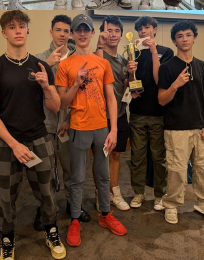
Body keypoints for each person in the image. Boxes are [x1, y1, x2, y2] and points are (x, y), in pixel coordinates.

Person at [0, 10, 66, 260]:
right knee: (6, 198)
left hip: (40, 139)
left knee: (47, 192)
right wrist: (14, 144)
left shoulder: (40, 66)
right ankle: (7, 238)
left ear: (28, 30)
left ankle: (51, 230)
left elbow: (55, 106)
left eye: (22, 26)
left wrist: (45, 87)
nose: (18, 30)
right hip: (7, 145)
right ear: (4, 33)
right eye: (12, 27)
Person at [55, 14, 127, 247]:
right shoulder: (65, 65)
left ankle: (105, 215)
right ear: (73, 35)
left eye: (87, 29)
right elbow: (62, 103)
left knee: (104, 176)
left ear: (93, 33)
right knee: (77, 178)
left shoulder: (103, 63)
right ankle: (75, 219)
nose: (83, 34)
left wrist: (114, 130)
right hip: (78, 128)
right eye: (78, 30)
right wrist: (77, 82)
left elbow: (112, 98)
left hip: (102, 128)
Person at [157, 20, 204, 224]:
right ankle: (172, 205)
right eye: (180, 36)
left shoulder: (203, 66)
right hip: (176, 128)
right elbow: (161, 100)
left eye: (188, 34)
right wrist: (175, 85)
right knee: (176, 169)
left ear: (194, 37)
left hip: (200, 126)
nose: (185, 39)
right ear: (174, 40)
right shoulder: (167, 68)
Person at [34, 14, 90, 230]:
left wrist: (68, 118)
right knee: (45, 171)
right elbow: (31, 92)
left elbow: (81, 93)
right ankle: (45, 209)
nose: (62, 35)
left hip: (70, 124)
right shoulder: (39, 59)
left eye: (67, 31)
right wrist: (47, 66)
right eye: (58, 30)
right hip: (46, 124)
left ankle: (72, 204)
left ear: (72, 34)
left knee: (72, 168)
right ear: (51, 32)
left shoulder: (79, 60)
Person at [129, 16, 174, 210]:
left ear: (154, 29)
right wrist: (130, 75)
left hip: (158, 113)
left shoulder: (166, 52)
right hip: (137, 112)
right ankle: (138, 193)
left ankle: (159, 194)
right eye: (140, 29)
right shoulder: (133, 51)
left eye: (146, 28)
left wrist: (154, 51)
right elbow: (130, 82)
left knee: (159, 157)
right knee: (137, 156)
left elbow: (159, 80)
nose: (143, 32)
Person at [93, 16, 136, 212]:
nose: (112, 34)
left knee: (116, 154)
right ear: (102, 32)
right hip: (100, 116)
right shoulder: (97, 55)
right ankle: (100, 193)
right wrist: (99, 45)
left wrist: (131, 74)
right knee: (101, 156)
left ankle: (114, 192)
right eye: (108, 30)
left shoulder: (124, 59)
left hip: (119, 113)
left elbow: (126, 87)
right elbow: (97, 72)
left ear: (121, 35)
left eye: (116, 31)